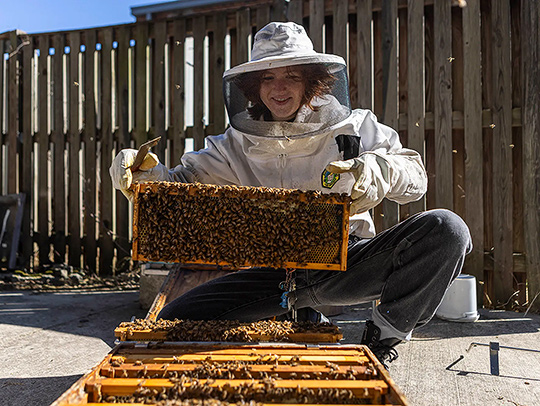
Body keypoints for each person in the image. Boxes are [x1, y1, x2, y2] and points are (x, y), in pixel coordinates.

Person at [110, 22, 472, 367]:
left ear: (312, 82)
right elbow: (180, 185)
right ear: (252, 86)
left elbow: (415, 176)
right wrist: (145, 176)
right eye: (267, 77)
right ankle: (293, 314)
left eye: (292, 76)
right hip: (271, 274)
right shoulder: (233, 144)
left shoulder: (356, 126)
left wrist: (375, 170)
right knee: (176, 320)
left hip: (346, 262)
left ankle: (383, 339)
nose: (278, 88)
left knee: (447, 229)